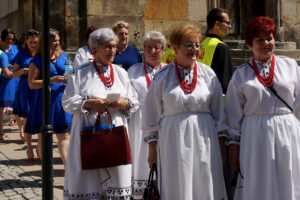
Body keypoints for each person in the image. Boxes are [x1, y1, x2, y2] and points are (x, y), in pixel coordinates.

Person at [142, 24, 228, 200]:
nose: (194, 49)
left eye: (197, 45)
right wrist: (152, 150)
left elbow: (219, 112)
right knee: (178, 181)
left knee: (204, 179)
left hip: (205, 137)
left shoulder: (208, 75)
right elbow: (151, 115)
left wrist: (221, 144)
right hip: (173, 139)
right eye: (189, 45)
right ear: (175, 48)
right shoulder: (163, 77)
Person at [226, 16, 300, 200]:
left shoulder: (290, 66)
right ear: (250, 44)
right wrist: (233, 145)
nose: (266, 43)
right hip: (255, 134)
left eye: (270, 38)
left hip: (287, 130)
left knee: (288, 175)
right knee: (258, 177)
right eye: (260, 39)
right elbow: (233, 112)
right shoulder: (241, 74)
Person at [62, 28, 139, 199]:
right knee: (89, 180)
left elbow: (134, 102)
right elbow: (67, 102)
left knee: (117, 178)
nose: (112, 51)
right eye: (108, 47)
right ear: (94, 48)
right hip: (88, 135)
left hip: (115, 137)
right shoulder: (81, 73)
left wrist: (123, 104)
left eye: (114, 47)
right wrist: (90, 103)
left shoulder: (121, 73)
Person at [127, 31, 166, 199]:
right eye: (149, 47)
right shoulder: (133, 71)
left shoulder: (169, 71)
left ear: (163, 50)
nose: (152, 51)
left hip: (163, 122)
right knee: (141, 160)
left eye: (157, 48)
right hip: (138, 122)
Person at [27, 28, 72, 168]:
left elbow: (70, 73)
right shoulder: (37, 60)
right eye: (54, 41)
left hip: (61, 101)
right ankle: (47, 170)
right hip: (44, 102)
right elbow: (32, 84)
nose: (57, 43)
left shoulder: (63, 56)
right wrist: (51, 80)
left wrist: (70, 78)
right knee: (43, 137)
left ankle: (68, 171)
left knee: (64, 136)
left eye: (58, 40)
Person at [11, 29, 39, 162]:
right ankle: (29, 148)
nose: (33, 44)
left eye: (36, 42)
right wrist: (22, 71)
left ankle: (40, 146)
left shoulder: (43, 54)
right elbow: (13, 74)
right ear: (26, 42)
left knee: (41, 119)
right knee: (28, 119)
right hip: (26, 90)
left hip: (39, 89)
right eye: (31, 42)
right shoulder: (21, 54)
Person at [198, 8, 233, 93]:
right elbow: (225, 82)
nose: (230, 26)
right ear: (217, 24)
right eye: (227, 23)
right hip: (215, 98)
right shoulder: (221, 47)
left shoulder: (201, 45)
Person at [0, 28, 19, 142]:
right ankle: (0, 132)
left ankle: (21, 129)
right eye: (8, 39)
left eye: (12, 39)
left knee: (16, 104)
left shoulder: (16, 49)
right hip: (3, 80)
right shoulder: (0, 51)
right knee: (1, 106)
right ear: (2, 39)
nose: (11, 42)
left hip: (15, 80)